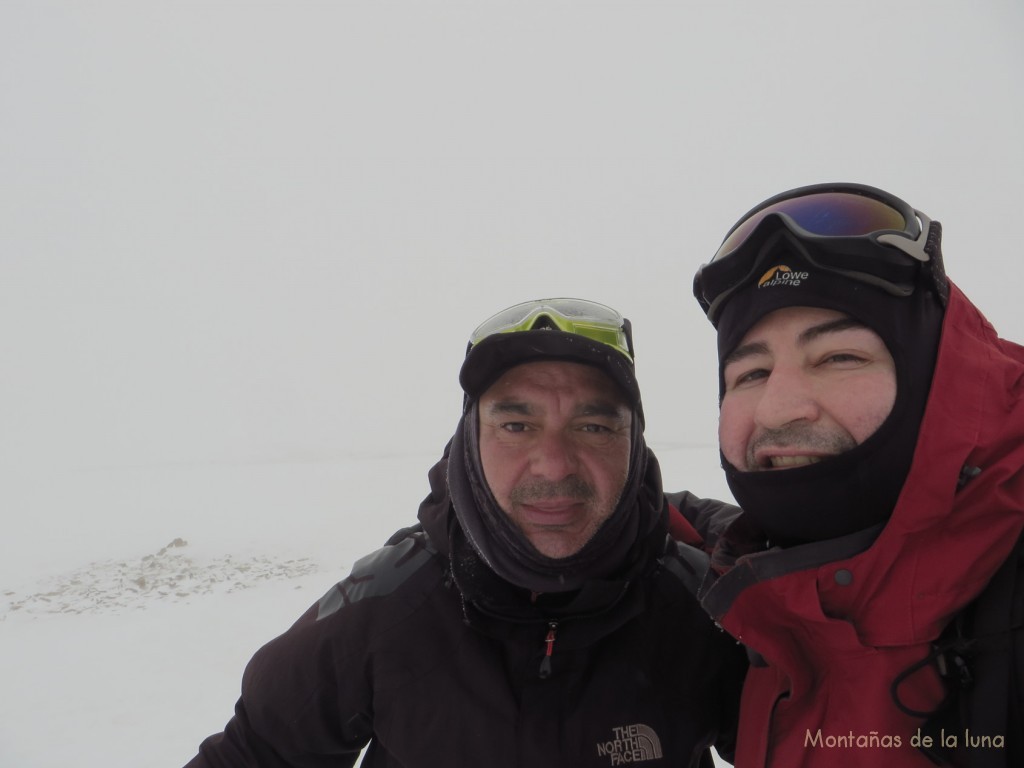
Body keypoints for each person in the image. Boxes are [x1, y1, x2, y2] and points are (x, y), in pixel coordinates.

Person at [186, 298, 746, 768]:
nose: (553, 465)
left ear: (635, 445)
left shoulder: (705, 606)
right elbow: (255, 754)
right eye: (516, 425)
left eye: (594, 426)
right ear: (470, 443)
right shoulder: (385, 604)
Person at [684, 182, 1024, 767]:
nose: (778, 408)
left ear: (938, 376)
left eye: (840, 357)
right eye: (750, 373)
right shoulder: (757, 599)